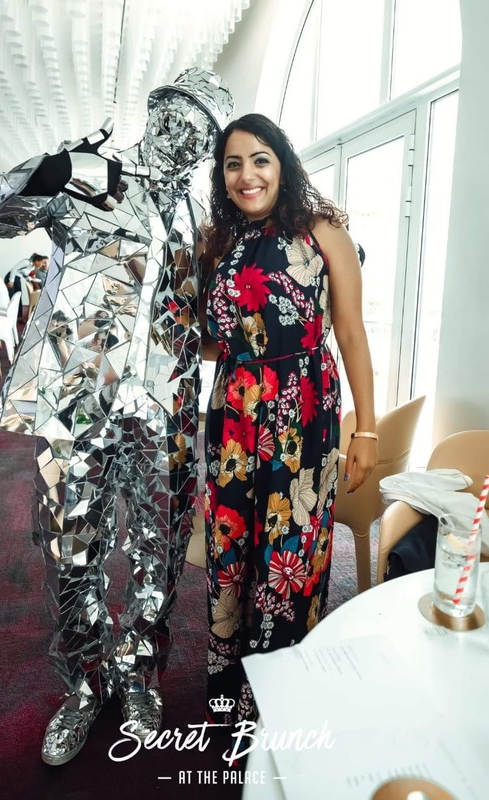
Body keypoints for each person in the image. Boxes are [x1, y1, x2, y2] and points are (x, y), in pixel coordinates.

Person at [0, 68, 234, 765]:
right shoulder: (91, 176)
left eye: (201, 134)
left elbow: (208, 308)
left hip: (163, 413)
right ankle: (84, 685)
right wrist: (49, 169)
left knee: (161, 556)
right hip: (76, 403)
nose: (184, 138)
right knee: (69, 554)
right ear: (154, 110)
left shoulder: (202, 215)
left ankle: (138, 675)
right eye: (176, 118)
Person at [201, 113, 377, 724]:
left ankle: (276, 691)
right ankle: (228, 681)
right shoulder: (218, 242)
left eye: (260, 159)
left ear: (283, 164)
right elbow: (214, 340)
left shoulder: (323, 231)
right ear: (222, 177)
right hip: (233, 413)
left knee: (291, 549)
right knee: (230, 544)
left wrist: (367, 428)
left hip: (303, 409)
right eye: (233, 164)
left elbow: (351, 332)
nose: (246, 175)